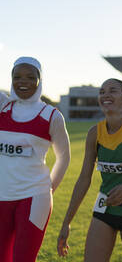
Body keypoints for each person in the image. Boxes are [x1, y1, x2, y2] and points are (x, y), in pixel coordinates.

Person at [57, 78, 122, 262]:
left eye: (112, 90)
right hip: (104, 209)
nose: (106, 94)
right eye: (102, 92)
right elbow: (84, 179)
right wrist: (67, 222)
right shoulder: (94, 133)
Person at [0, 57, 71, 262]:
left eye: (31, 77)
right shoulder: (3, 107)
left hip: (34, 197)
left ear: (40, 80)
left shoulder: (51, 115)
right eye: (17, 76)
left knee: (23, 257)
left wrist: (50, 188)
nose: (23, 81)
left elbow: (63, 157)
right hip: (2, 196)